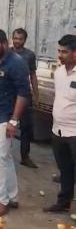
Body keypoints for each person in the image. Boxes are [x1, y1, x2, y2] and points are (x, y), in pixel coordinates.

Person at [0, 29, 30, 216]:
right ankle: (13, 197)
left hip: (6, 117)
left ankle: (1, 200)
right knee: (6, 157)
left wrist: (14, 120)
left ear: (4, 43)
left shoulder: (17, 64)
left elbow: (23, 94)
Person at [43, 34, 76, 213]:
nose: (60, 55)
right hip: (58, 131)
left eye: (64, 52)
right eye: (59, 51)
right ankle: (63, 203)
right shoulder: (59, 73)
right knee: (65, 170)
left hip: (75, 133)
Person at [10, 28, 39, 168]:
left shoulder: (30, 55)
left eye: (20, 39)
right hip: (9, 96)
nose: (17, 41)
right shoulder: (6, 53)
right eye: (15, 38)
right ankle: (4, 154)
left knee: (27, 126)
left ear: (25, 40)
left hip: (25, 95)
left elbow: (33, 75)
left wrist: (36, 94)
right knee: (6, 125)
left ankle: (25, 156)